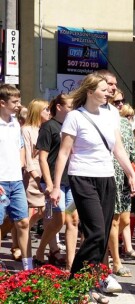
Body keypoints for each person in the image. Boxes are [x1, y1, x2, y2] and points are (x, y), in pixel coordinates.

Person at [50, 74, 135, 303]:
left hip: (107, 177)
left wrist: (132, 175)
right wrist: (55, 186)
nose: (109, 92)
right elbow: (63, 153)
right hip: (82, 177)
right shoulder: (75, 117)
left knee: (102, 235)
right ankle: (76, 282)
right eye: (103, 89)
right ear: (90, 92)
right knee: (96, 232)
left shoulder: (111, 115)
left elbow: (118, 148)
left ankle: (92, 283)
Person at [107, 90, 135, 278]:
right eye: (116, 102)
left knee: (125, 220)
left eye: (122, 102)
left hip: (125, 176)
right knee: (113, 220)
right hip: (108, 174)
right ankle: (114, 260)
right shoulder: (104, 121)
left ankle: (108, 254)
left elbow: (133, 153)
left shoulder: (125, 124)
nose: (119, 105)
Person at [35, 94, 79, 271]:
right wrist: (49, 183)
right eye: (69, 106)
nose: (72, 109)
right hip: (54, 182)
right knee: (58, 219)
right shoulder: (48, 126)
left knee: (73, 220)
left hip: (71, 180)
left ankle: (70, 264)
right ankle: (40, 252)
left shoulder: (71, 126)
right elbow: (42, 158)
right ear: (59, 107)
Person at [0, 84, 33, 270]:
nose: (18, 104)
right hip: (1, 180)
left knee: (23, 221)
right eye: (14, 101)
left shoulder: (15, 123)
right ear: (2, 103)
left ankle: (28, 266)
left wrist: (21, 164)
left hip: (16, 180)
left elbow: (21, 145)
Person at [22, 99, 50, 241]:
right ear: (38, 111)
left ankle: (52, 247)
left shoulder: (47, 128)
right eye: (46, 109)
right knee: (27, 213)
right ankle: (20, 242)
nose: (49, 112)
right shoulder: (27, 130)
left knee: (46, 212)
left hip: (46, 174)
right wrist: (36, 178)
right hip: (33, 176)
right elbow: (27, 157)